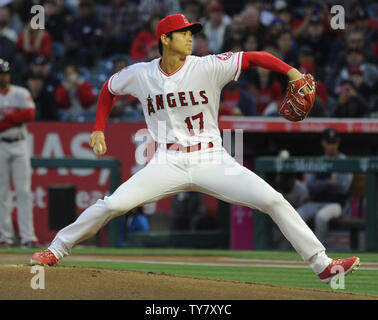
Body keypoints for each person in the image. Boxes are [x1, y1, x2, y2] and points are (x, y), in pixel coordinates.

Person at [31, 14, 360, 284]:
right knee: (112, 203)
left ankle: (322, 264)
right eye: (183, 33)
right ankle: (56, 249)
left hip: (212, 158)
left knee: (273, 199)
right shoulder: (141, 74)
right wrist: (98, 127)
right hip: (167, 159)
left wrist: (291, 72)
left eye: (192, 33)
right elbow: (107, 89)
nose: (190, 38)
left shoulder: (207, 65)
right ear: (165, 40)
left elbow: (253, 57)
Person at [0, 59, 39, 248]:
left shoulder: (20, 92)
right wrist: (16, 119)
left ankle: (27, 237)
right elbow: (22, 116)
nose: (3, 76)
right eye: (1, 73)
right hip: (1, 145)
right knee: (2, 193)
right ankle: (5, 236)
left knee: (24, 191)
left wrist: (6, 118)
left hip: (20, 143)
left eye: (5, 73)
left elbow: (30, 114)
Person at [297, 128, 353, 244]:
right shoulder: (318, 161)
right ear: (323, 143)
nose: (332, 146)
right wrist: (329, 182)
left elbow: (343, 187)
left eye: (334, 142)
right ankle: (298, 249)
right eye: (329, 143)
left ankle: (319, 252)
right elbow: (310, 186)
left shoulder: (343, 160)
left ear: (338, 143)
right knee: (297, 215)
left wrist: (320, 183)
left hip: (337, 205)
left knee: (321, 217)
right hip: (316, 202)